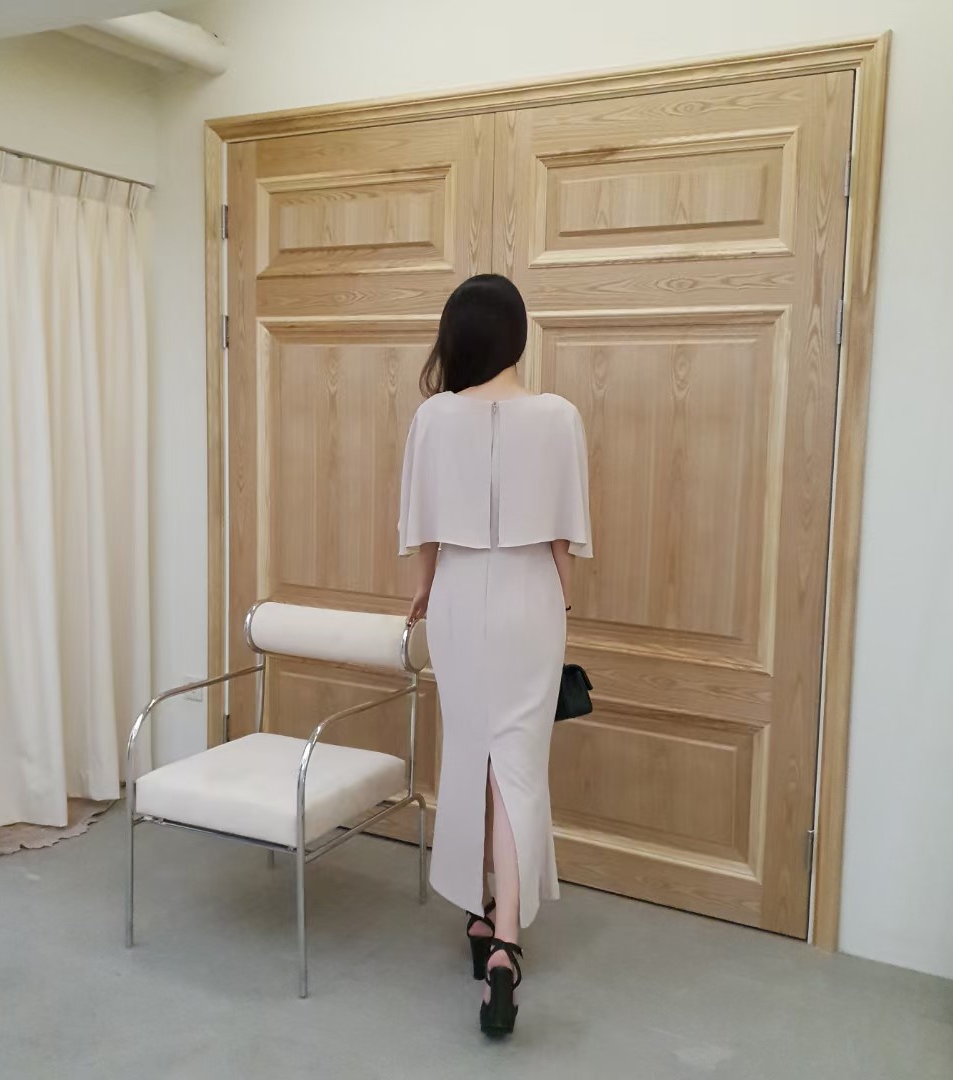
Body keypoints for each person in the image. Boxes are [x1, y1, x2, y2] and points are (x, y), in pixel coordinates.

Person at [398, 274, 593, 1036]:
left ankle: (481, 916)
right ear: (516, 334)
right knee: (518, 762)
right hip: (530, 596)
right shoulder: (559, 417)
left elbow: (425, 532)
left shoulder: (432, 418)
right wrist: (561, 601)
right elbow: (563, 537)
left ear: (458, 338)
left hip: (457, 595)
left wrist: (425, 592)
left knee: (472, 753)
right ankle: (506, 936)